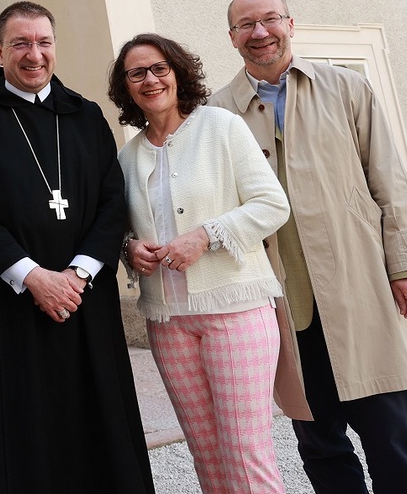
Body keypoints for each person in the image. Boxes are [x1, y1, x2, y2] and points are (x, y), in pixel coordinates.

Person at [211, 0, 407, 494]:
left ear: (291, 24)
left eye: (270, 19)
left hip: (361, 289)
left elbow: (389, 178)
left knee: (394, 439)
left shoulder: (345, 88)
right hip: (282, 305)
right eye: (246, 25)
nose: (260, 33)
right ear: (232, 37)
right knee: (320, 443)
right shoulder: (219, 112)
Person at [0, 1, 154, 493]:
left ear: (54, 48)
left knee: (98, 420)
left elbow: (113, 201)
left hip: (86, 300)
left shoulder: (86, 116)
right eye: (20, 43)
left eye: (43, 42)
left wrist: (78, 274)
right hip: (13, 305)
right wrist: (33, 277)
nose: (33, 54)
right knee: (25, 430)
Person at [109, 33, 289, 493]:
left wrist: (206, 235)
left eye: (159, 68)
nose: (150, 80)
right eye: (137, 73)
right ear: (126, 86)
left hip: (236, 313)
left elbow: (272, 205)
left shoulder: (221, 126)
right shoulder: (127, 157)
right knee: (205, 453)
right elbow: (122, 229)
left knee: (245, 454)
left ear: (177, 72)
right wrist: (129, 249)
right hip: (169, 323)